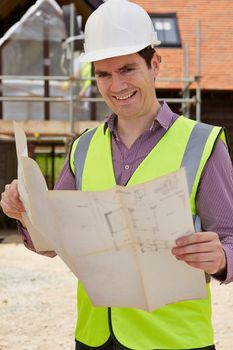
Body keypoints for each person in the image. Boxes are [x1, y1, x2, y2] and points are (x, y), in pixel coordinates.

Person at [1, 0, 233, 349]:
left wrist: (221, 258)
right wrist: (25, 214)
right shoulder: (83, 147)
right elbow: (52, 242)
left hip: (174, 340)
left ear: (155, 64)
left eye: (127, 69)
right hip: (94, 337)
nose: (116, 85)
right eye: (104, 74)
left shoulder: (203, 143)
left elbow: (230, 237)